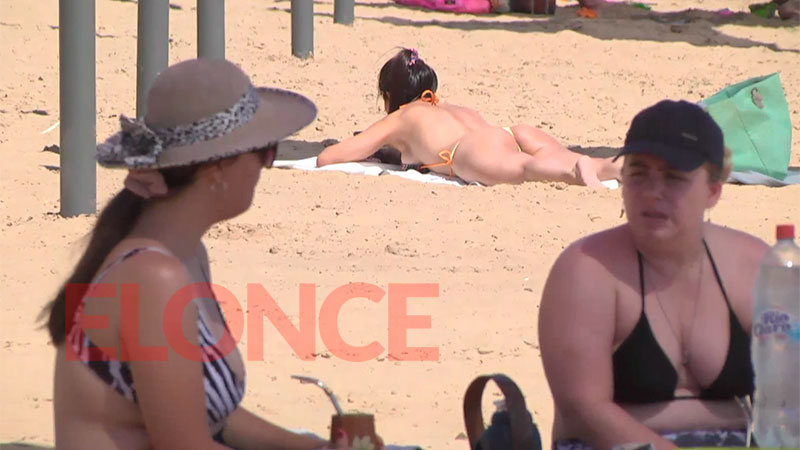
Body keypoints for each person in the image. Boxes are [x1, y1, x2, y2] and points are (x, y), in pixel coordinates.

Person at [40, 58, 353, 450]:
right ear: (217, 168)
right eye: (266, 151)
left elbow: (215, 417)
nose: (267, 166)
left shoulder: (180, 254)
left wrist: (316, 448)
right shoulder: (154, 276)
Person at [537, 100, 770, 449]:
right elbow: (584, 410)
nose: (651, 192)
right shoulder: (587, 269)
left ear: (713, 190)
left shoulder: (753, 266)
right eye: (638, 173)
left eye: (674, 177)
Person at [316, 49, 621, 188]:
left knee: (525, 168)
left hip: (466, 150)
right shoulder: (443, 106)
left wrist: (372, 146)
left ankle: (573, 172)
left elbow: (327, 158)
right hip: (510, 132)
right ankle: (617, 167)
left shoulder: (400, 117)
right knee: (562, 157)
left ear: (389, 95)